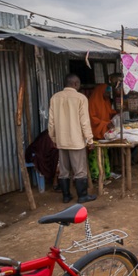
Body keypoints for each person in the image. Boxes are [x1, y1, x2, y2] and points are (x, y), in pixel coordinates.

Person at [48, 73, 97, 203]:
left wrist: (53, 138)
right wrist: (90, 139)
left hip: (61, 141)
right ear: (75, 84)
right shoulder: (81, 98)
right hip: (76, 141)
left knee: (64, 171)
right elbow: (84, 122)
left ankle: (66, 196)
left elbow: (51, 122)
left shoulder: (54, 98)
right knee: (80, 170)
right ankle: (82, 196)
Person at [87, 83, 117, 182]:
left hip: (103, 132)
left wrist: (117, 113)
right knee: (94, 154)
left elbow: (109, 112)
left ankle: (106, 173)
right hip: (95, 133)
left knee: (104, 153)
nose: (108, 95)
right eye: (107, 92)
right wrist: (105, 124)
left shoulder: (106, 101)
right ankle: (96, 175)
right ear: (101, 92)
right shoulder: (92, 102)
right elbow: (92, 119)